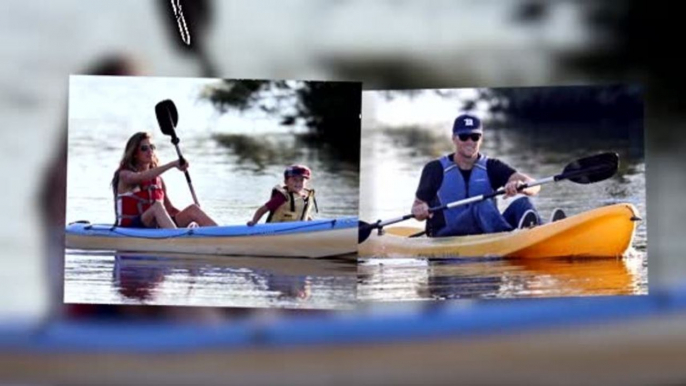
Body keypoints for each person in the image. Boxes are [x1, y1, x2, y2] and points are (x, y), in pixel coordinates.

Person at [411, 113, 542, 238]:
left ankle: (541, 234)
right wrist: (420, 210)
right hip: (448, 235)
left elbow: (535, 186)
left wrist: (521, 186)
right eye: (464, 137)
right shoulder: (435, 169)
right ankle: (509, 239)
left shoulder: (491, 166)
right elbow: (417, 208)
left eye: (475, 137)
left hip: (487, 231)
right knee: (482, 205)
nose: (470, 141)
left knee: (523, 203)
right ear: (454, 139)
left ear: (481, 139)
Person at [111, 131, 218, 229]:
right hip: (131, 228)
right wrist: (172, 164)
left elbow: (169, 209)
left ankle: (220, 235)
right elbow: (140, 177)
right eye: (144, 148)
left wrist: (190, 218)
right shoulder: (124, 175)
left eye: (151, 147)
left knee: (193, 210)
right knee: (157, 206)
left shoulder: (158, 180)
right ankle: (179, 240)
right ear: (134, 154)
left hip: (156, 226)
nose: (150, 151)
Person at [247, 164, 317, 226]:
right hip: (275, 231)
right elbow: (263, 209)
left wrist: (314, 225)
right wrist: (254, 221)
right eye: (294, 179)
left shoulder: (304, 198)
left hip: (296, 231)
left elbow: (302, 214)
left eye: (301, 180)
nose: (298, 183)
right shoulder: (282, 197)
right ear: (286, 182)